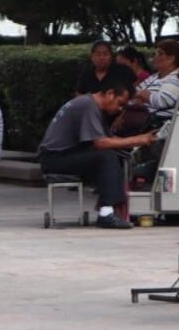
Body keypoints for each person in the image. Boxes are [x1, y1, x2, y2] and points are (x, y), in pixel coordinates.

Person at [38, 76, 156, 229]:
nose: (120, 109)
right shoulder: (88, 105)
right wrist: (137, 140)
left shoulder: (90, 104)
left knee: (112, 156)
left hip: (64, 155)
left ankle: (114, 209)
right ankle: (106, 213)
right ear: (110, 94)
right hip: (54, 159)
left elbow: (108, 138)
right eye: (120, 103)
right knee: (106, 155)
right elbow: (100, 143)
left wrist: (134, 141)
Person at [133, 40, 179, 124]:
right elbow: (133, 93)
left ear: (171, 58)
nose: (154, 58)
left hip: (157, 126)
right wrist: (142, 95)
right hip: (142, 120)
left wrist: (144, 95)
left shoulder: (177, 77)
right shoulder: (154, 76)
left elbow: (163, 101)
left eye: (160, 54)